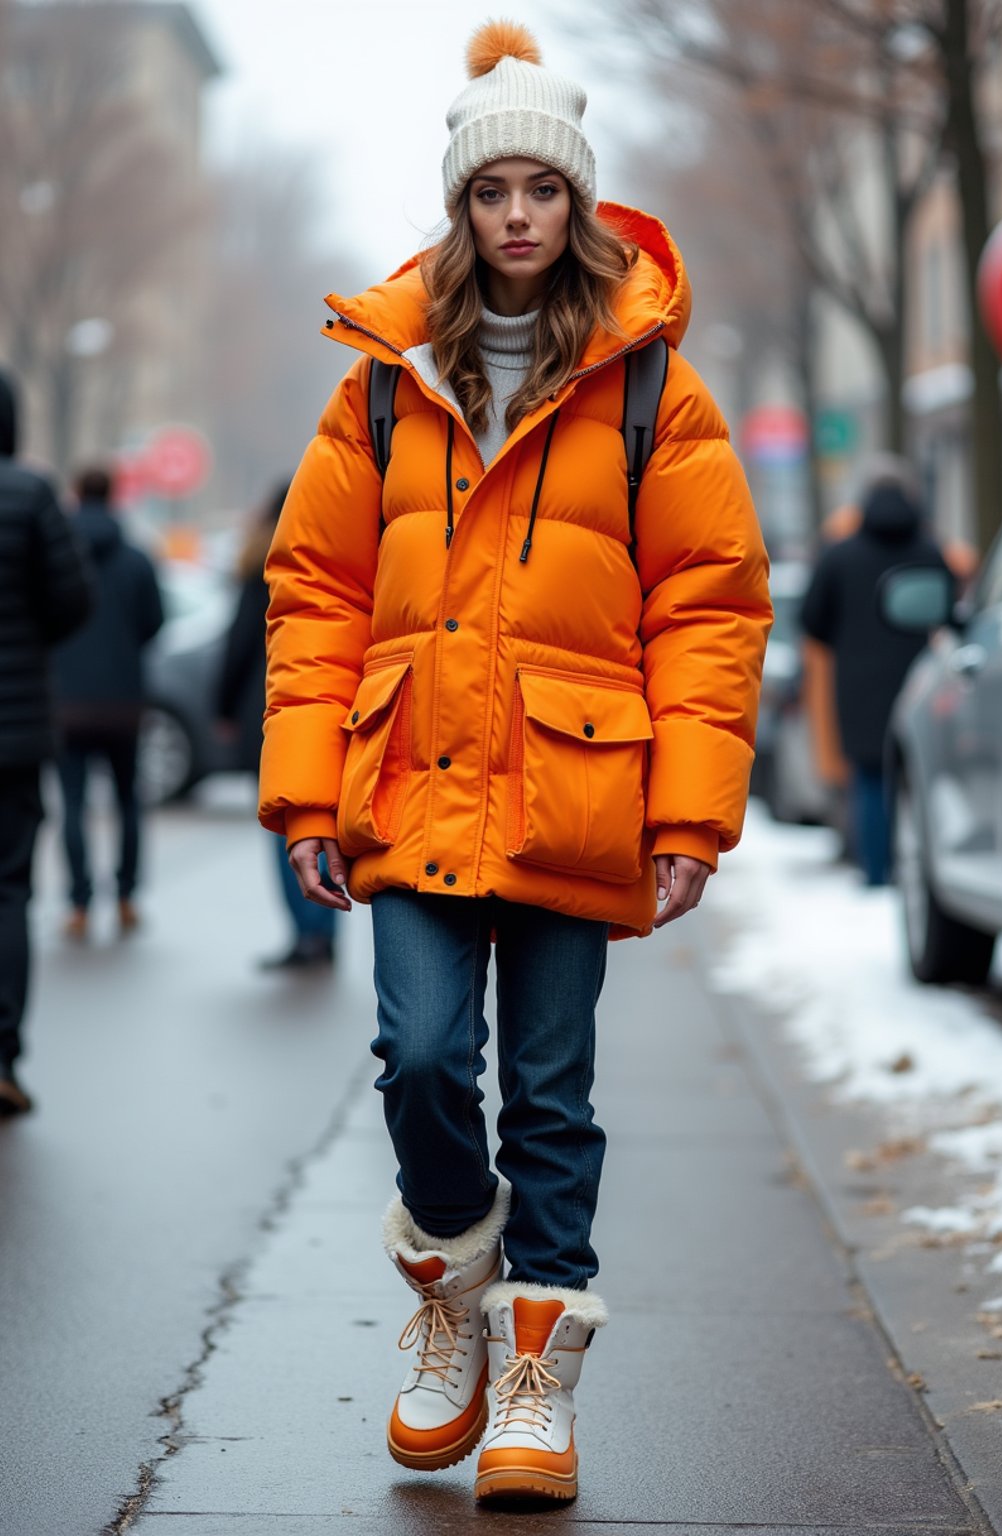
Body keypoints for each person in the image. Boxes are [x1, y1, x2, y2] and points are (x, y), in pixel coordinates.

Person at [258, 21, 771, 1505]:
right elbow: (316, 592)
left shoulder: (645, 391)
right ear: (463, 207)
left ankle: (535, 1372)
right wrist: (305, 790)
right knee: (422, 1057)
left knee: (552, 1091)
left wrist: (689, 814)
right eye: (494, 193)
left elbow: (710, 602)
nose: (520, 216)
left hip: (575, 786)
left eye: (546, 190)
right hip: (412, 779)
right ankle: (450, 1283)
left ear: (580, 203)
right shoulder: (378, 380)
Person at [0, 369, 92, 1116]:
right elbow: (72, 600)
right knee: (8, 892)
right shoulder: (30, 496)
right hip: (14, 730)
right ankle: (1, 1059)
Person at [801, 464, 950, 886]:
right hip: (917, 679)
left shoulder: (840, 553)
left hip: (857, 683)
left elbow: (813, 619)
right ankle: (914, 867)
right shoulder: (929, 550)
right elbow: (949, 604)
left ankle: (876, 872)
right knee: (915, 773)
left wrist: (847, 642)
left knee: (868, 777)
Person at [215, 482, 337, 970]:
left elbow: (241, 643)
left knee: (287, 827)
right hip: (327, 708)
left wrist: (222, 707)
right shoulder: (337, 553)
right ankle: (322, 931)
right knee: (320, 823)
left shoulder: (264, 562)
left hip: (269, 710)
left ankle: (307, 933)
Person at [53, 466, 163, 938]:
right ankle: (125, 897)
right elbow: (154, 621)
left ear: (77, 495)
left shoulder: (57, 559)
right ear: (115, 495)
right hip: (122, 703)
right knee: (127, 801)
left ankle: (79, 903)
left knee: (73, 804)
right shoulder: (136, 559)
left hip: (66, 703)